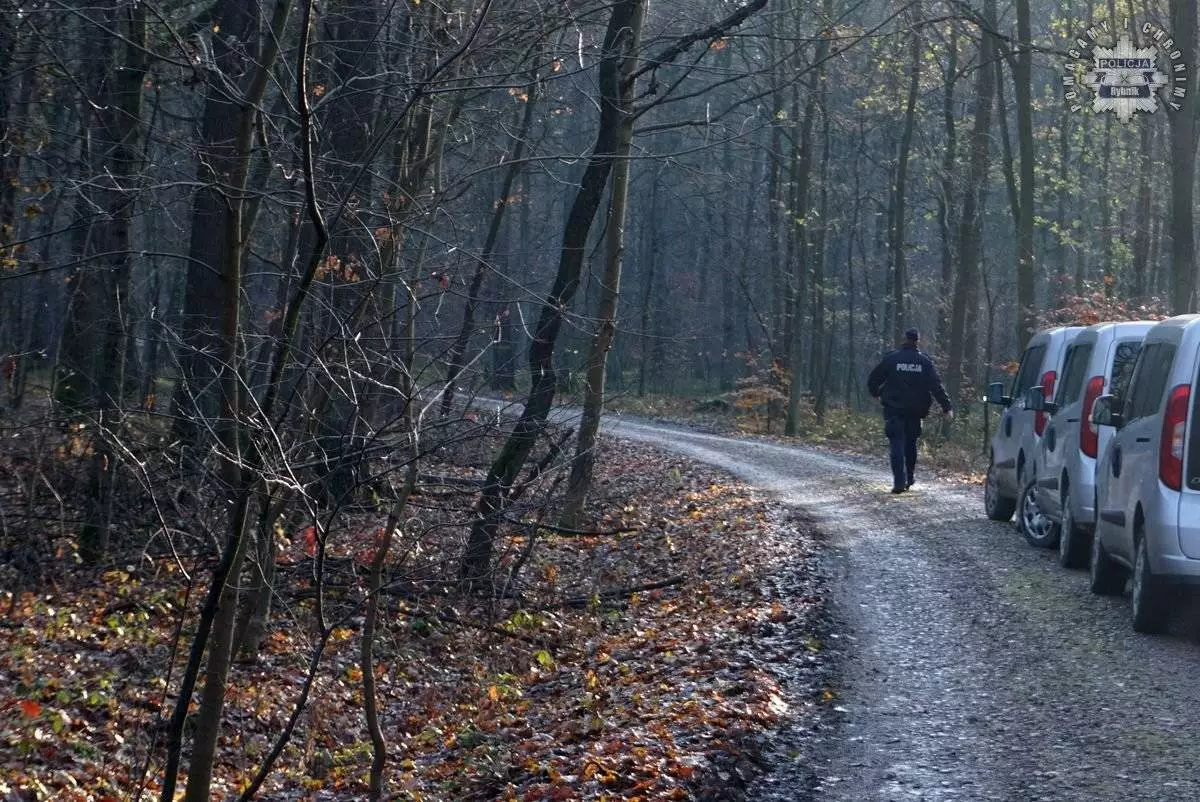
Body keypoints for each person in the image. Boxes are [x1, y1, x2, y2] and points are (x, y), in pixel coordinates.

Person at [867, 328, 954, 494]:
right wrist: (947, 407)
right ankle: (909, 477)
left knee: (896, 444)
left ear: (904, 339)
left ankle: (899, 481)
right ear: (918, 341)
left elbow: (873, 379)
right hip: (916, 410)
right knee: (910, 444)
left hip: (894, 409)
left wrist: (876, 393)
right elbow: (936, 386)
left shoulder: (892, 359)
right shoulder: (925, 362)